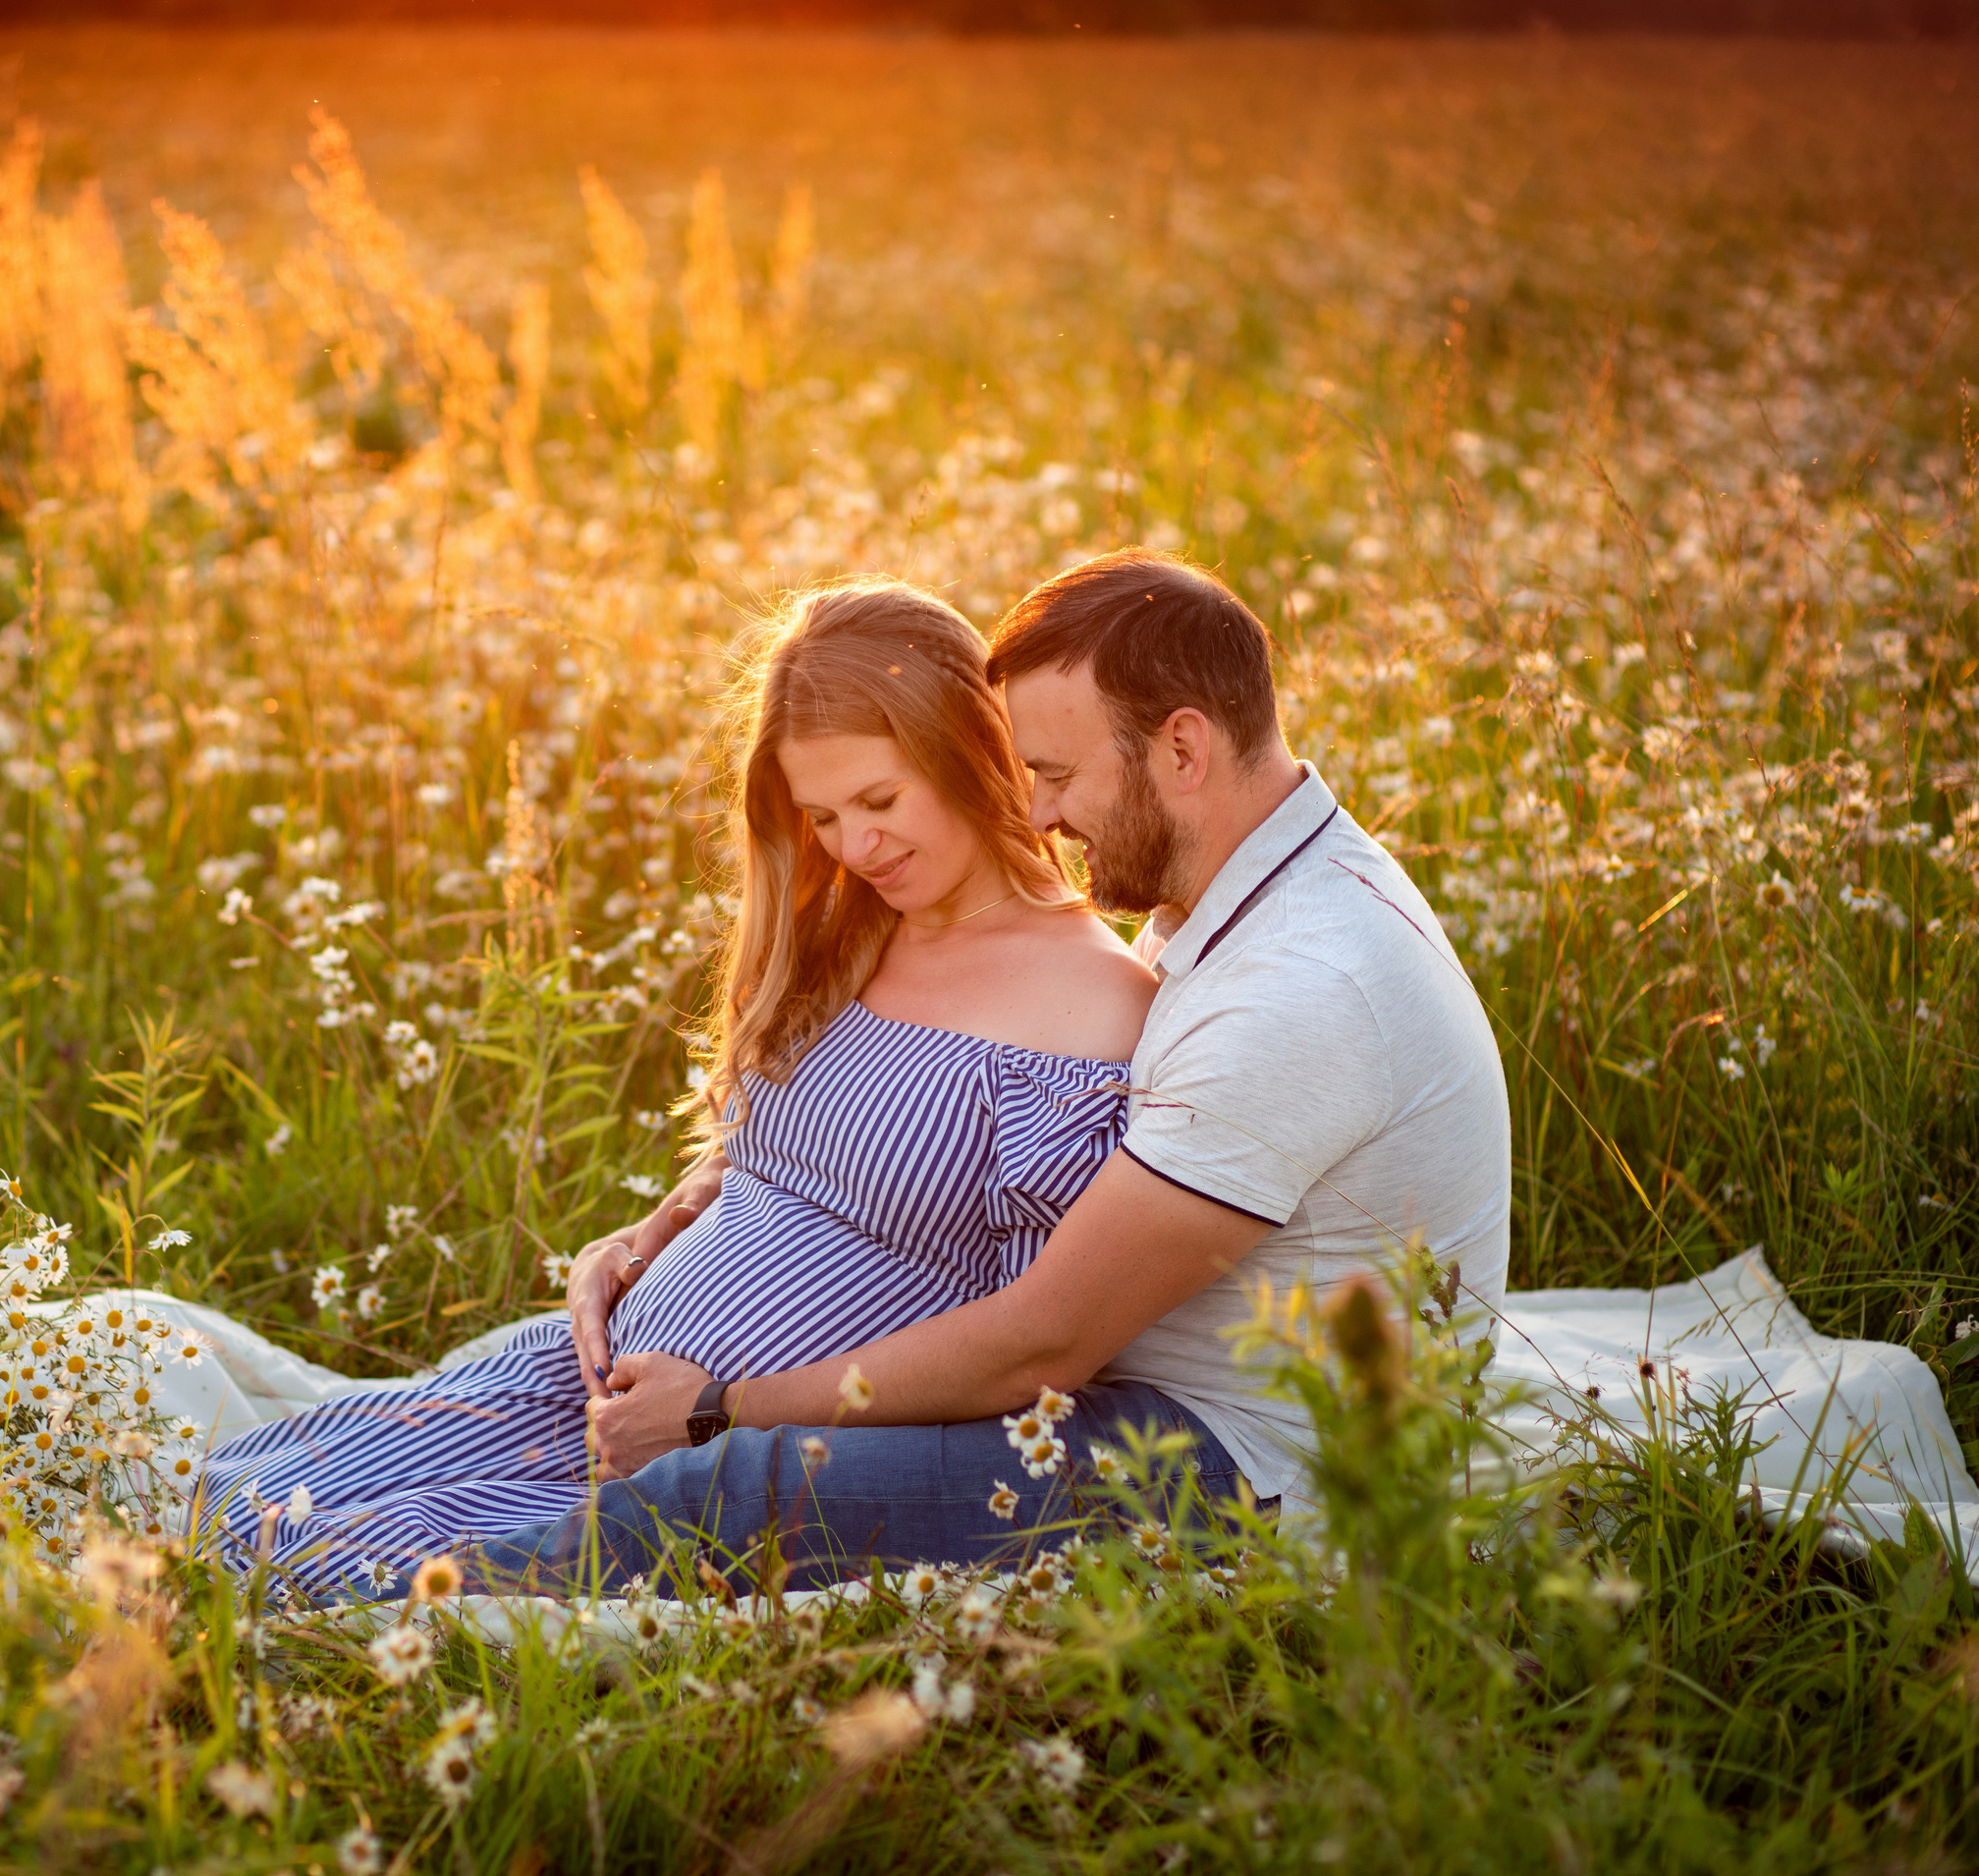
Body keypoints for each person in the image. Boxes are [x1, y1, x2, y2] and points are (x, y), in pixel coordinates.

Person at [474, 546, 1511, 1591]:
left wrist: (721, 1405)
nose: (1042, 813)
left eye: (1056, 774)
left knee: (737, 1491)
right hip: (1149, 1397)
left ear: (1182, 749)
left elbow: (1041, 1341)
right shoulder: (1240, 894)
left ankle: (366, 1618)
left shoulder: (1302, 988)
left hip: (1242, 1460)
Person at [192, 577, 1209, 1592]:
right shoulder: (850, 932)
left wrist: (725, 1399)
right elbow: (765, 1166)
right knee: (224, 1502)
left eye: (879, 800)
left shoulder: (1091, 1008)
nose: (856, 846)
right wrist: (638, 1241)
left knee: (337, 1580)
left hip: (719, 1454)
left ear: (969, 750)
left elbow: (1019, 1343)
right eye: (821, 816)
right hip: (598, 1384)